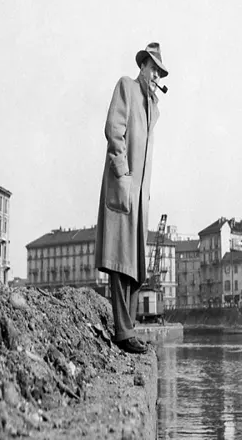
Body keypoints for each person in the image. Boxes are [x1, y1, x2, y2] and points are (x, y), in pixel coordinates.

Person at [95, 43, 168, 355]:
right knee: (120, 260)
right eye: (153, 69)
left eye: (159, 73)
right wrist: (123, 175)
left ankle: (129, 329)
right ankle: (123, 333)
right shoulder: (127, 87)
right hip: (124, 187)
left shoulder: (153, 107)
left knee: (136, 265)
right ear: (143, 66)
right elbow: (114, 131)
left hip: (140, 197)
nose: (155, 76)